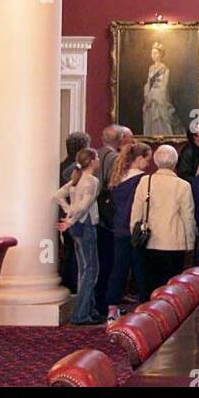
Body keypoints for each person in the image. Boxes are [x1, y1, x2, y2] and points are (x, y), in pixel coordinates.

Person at [129, 145, 197, 302]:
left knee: (149, 287)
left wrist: (134, 234)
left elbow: (136, 212)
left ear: (156, 161)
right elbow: (188, 217)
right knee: (170, 290)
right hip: (174, 243)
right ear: (175, 162)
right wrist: (190, 244)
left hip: (148, 241)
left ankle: (148, 320)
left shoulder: (145, 181)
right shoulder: (183, 185)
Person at [53, 148, 103, 325]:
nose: (98, 161)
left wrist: (68, 215)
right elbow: (83, 206)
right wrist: (71, 220)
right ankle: (81, 313)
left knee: (84, 269)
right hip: (85, 226)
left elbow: (58, 196)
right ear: (91, 161)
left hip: (76, 226)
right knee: (91, 271)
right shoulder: (91, 181)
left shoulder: (76, 179)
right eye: (96, 158)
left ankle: (89, 309)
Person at [105, 141, 152, 321]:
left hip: (118, 228)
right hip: (135, 230)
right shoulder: (142, 180)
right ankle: (144, 307)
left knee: (119, 269)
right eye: (147, 159)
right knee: (141, 270)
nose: (148, 164)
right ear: (140, 158)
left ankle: (112, 308)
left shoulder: (118, 178)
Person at [95, 125, 133, 314]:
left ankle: (99, 303)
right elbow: (115, 186)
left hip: (95, 216)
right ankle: (107, 305)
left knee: (99, 262)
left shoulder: (96, 154)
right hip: (109, 218)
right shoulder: (114, 158)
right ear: (120, 140)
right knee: (110, 262)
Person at [58, 131, 91, 292]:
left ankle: (70, 284)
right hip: (78, 217)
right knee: (79, 256)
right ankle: (76, 287)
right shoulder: (77, 170)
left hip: (66, 217)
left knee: (70, 252)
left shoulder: (60, 167)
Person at [142, 41, 180, 136]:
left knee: (160, 119)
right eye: (152, 53)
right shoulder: (151, 68)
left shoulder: (164, 69)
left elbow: (163, 86)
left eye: (156, 53)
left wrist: (154, 97)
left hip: (159, 100)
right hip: (150, 99)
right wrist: (147, 96)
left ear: (161, 54)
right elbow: (148, 84)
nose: (153, 55)